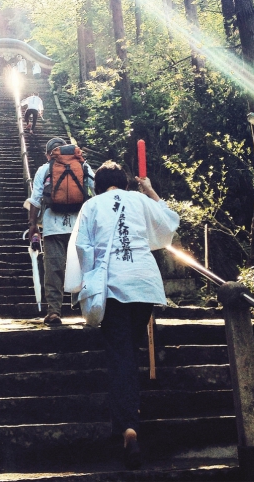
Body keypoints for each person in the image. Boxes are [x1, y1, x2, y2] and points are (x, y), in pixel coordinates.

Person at [71, 161, 179, 469]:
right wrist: (150, 190)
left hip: (112, 286)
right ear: (124, 182)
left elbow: (83, 247)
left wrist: (87, 281)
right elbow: (170, 222)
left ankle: (128, 426)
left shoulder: (91, 205)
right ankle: (131, 412)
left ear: (98, 184)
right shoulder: (140, 200)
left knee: (120, 353)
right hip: (144, 283)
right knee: (130, 347)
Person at [27, 137, 94, 326]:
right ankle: (86, 309)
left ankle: (54, 311)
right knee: (83, 268)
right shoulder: (83, 166)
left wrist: (32, 224)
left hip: (52, 227)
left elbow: (35, 199)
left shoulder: (44, 169)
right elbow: (97, 191)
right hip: (79, 226)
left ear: (49, 154)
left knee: (53, 269)